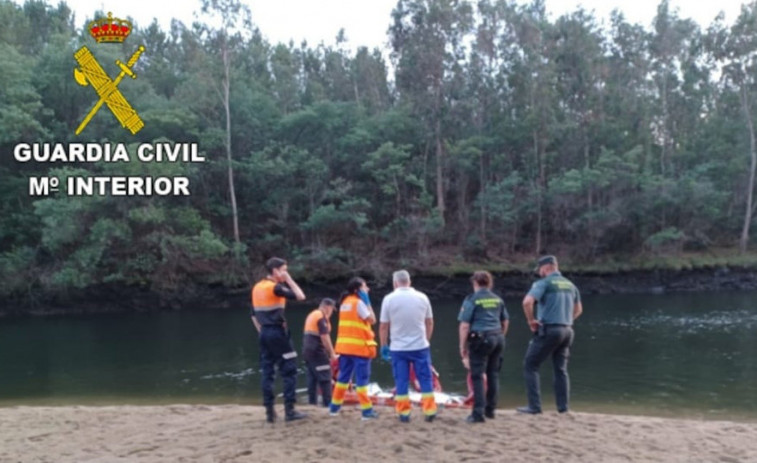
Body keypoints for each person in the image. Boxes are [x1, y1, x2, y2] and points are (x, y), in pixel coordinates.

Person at [517, 255, 583, 415]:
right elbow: (579, 309)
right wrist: (566, 320)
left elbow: (527, 302)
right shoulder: (570, 285)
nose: (539, 272)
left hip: (549, 329)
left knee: (530, 365)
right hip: (567, 330)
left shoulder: (543, 283)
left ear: (546, 268)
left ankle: (534, 406)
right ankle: (563, 408)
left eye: (540, 269)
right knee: (560, 369)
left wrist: (531, 321)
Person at [251, 257, 307, 423]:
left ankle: (270, 411)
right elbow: (300, 296)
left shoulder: (257, 288)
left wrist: (262, 330)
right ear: (275, 271)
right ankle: (290, 410)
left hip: (264, 333)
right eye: (284, 269)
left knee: (267, 371)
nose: (286, 272)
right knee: (289, 369)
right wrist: (288, 279)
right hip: (277, 333)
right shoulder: (275, 287)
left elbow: (253, 315)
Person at [378, 270, 438, 423]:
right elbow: (429, 322)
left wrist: (384, 345)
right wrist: (426, 340)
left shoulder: (389, 299)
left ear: (395, 283)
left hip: (398, 348)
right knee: (425, 379)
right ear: (409, 281)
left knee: (401, 380)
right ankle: (430, 410)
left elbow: (384, 326)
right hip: (420, 346)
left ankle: (404, 413)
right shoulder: (422, 297)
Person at [458, 270, 509, 423]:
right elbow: (505, 321)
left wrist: (462, 346)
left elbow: (464, 325)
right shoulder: (498, 300)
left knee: (477, 375)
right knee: (493, 374)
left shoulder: (472, 299)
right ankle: (490, 410)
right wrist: (501, 336)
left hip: (480, 338)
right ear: (489, 283)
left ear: (474, 283)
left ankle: (478, 413)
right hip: (498, 337)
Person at [328, 277, 380, 420]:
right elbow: (373, 320)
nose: (367, 289)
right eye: (365, 287)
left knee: (343, 378)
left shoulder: (345, 303)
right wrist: (368, 302)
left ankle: (334, 408)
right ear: (358, 290)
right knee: (362, 380)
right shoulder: (358, 303)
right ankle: (367, 411)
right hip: (359, 348)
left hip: (345, 348)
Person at [302, 298, 338, 407]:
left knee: (312, 377)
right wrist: (332, 353)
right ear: (327, 307)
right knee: (325, 377)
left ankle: (312, 403)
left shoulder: (312, 315)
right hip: (317, 350)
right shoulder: (321, 317)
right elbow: (324, 337)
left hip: (307, 350)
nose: (332, 312)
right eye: (332, 309)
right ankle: (328, 404)